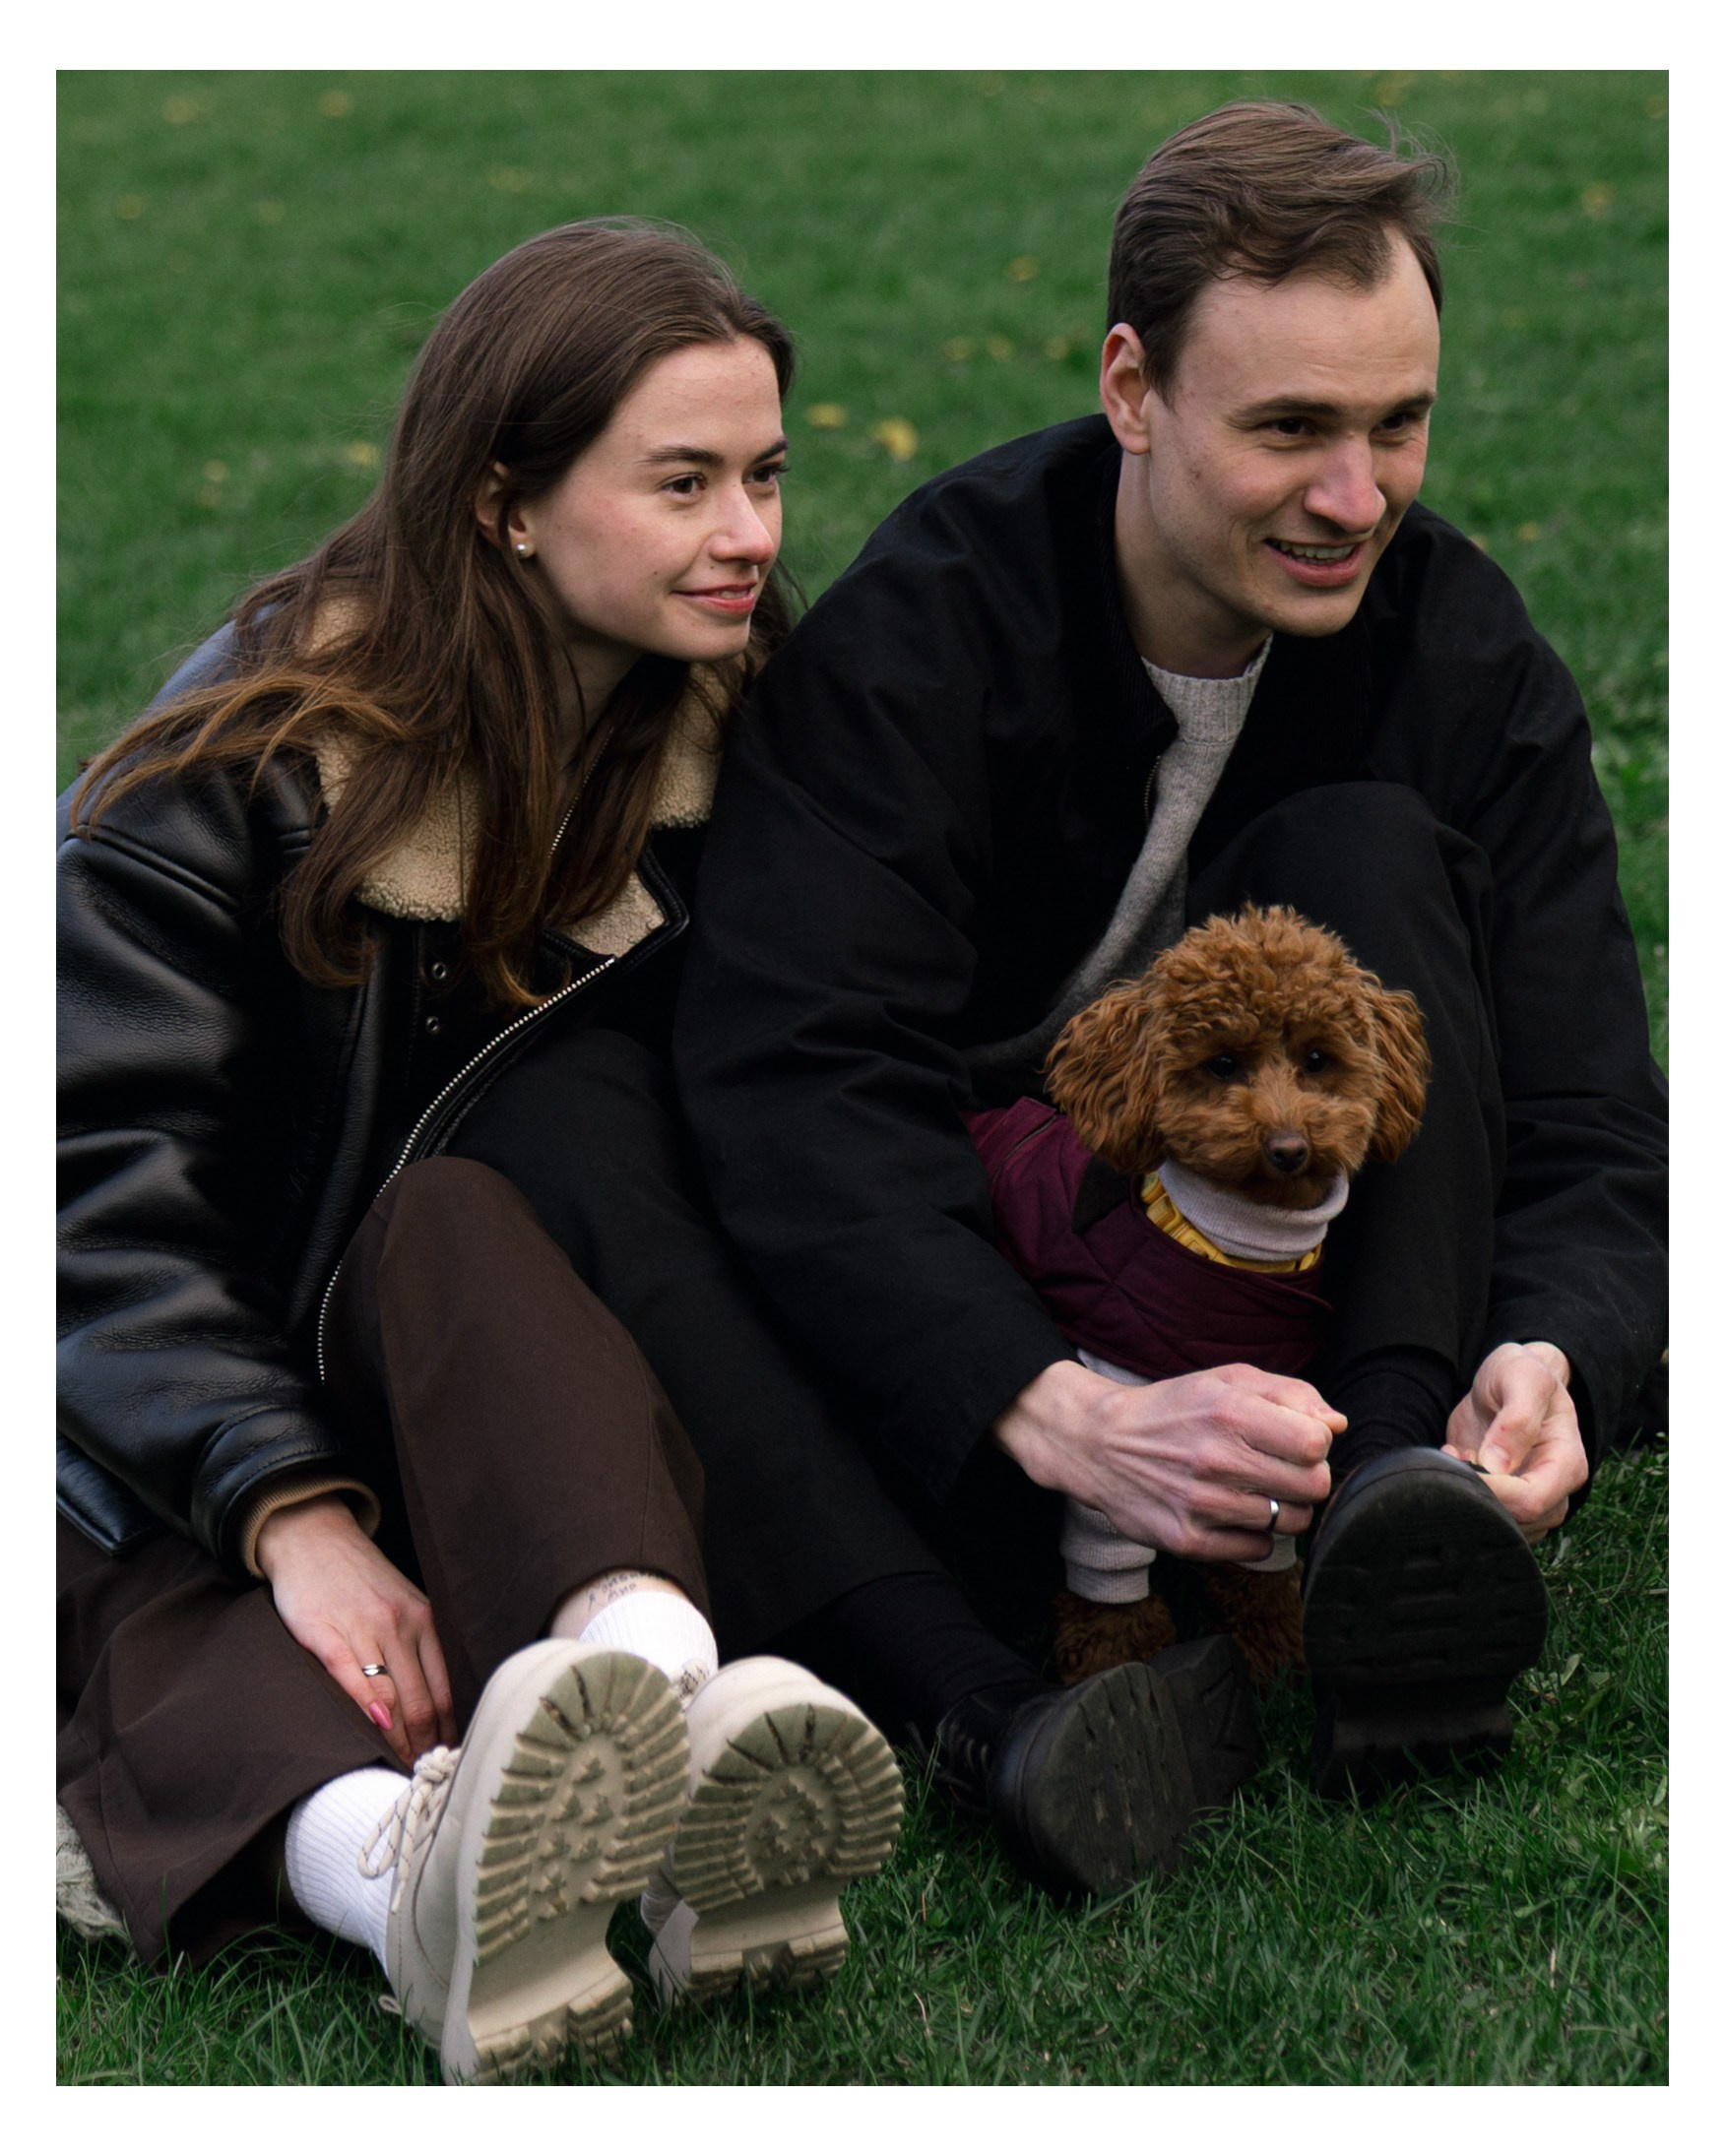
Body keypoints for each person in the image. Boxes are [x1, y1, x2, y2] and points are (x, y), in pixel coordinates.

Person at [672, 104, 1669, 1799]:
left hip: (1324, 1297)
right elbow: (795, 1074)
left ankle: (1390, 1507)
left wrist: (1554, 1346)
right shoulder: (929, 631)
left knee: (1365, 846)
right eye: (1290, 429)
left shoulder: (1463, 649)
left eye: (1400, 424)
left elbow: (1590, 1104)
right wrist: (1054, 1401)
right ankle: (1011, 1654)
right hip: (1001, 1280)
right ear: (1131, 389)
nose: (1356, 496)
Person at [56, 221, 907, 2084]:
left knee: (455, 1211)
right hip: (158, 1406)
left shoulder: (758, 738)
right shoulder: (231, 774)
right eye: (681, 483)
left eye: (766, 474)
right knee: (137, 1591)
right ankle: (406, 1877)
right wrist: (286, 1507)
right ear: (505, 505)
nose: (750, 533)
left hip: (501, 1384)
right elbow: (82, 1198)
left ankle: (664, 1713)